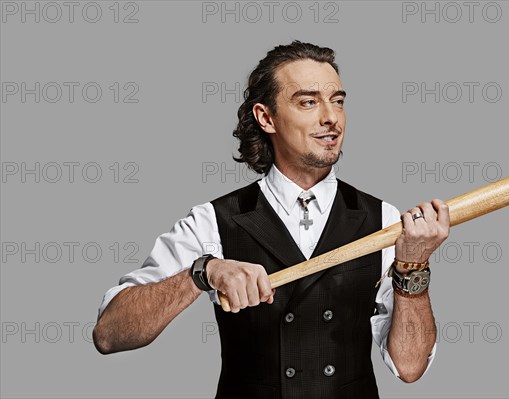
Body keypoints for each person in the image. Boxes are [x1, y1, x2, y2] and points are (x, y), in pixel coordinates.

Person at [93, 41, 450, 399]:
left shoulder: (384, 219)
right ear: (266, 117)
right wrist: (201, 272)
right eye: (308, 102)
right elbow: (109, 333)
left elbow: (410, 367)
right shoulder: (213, 221)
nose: (331, 117)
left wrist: (412, 267)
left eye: (338, 101)